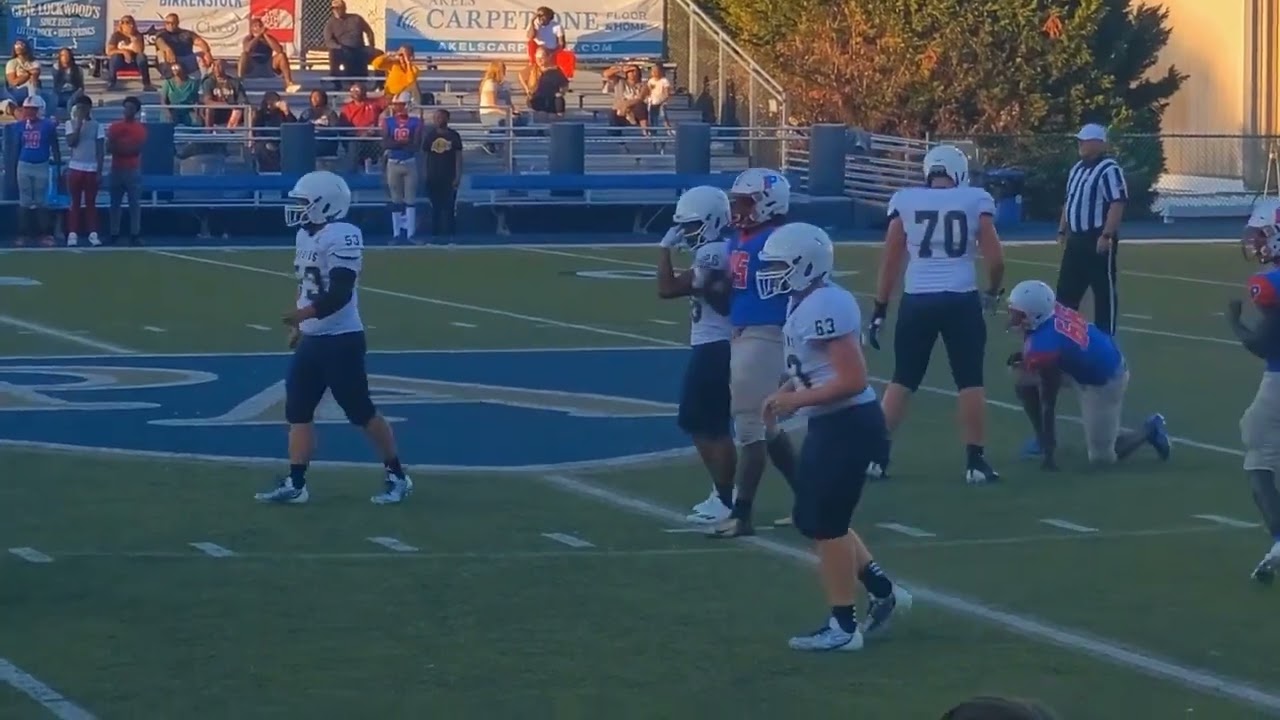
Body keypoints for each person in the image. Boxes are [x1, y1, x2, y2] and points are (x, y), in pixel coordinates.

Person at [757, 222, 910, 650]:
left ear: (806, 264)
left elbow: (852, 379)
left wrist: (797, 403)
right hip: (833, 423)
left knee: (827, 524)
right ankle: (882, 591)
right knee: (815, 518)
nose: (771, 272)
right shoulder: (804, 300)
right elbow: (813, 367)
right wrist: (788, 390)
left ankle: (843, 628)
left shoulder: (827, 303)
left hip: (849, 423)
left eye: (779, 264)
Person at [255, 170, 413, 505]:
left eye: (303, 202)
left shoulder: (343, 234)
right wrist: (300, 327)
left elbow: (340, 293)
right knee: (297, 411)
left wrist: (303, 316)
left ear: (325, 204)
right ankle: (296, 483)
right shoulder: (304, 235)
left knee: (360, 411)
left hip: (341, 340)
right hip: (313, 341)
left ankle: (397, 474)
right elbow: (308, 288)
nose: (297, 208)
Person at [866, 145, 1004, 484]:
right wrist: (993, 291)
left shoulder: (906, 200)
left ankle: (877, 458)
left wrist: (880, 307)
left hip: (918, 299)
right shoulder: (975, 199)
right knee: (969, 380)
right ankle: (975, 462)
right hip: (960, 298)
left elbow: (891, 259)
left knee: (903, 378)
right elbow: (996, 259)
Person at [703, 167, 800, 536]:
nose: (739, 209)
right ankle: (810, 499)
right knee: (767, 428)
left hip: (767, 336)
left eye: (747, 201)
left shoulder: (783, 239)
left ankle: (742, 513)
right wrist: (710, 285)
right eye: (738, 201)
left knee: (751, 429)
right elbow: (731, 300)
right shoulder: (740, 240)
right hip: (744, 334)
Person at [1006, 279, 1170, 473]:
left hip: (1104, 381)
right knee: (1022, 376)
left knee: (1102, 458)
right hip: (1086, 360)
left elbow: (1048, 400)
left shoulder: (1044, 342)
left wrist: (1050, 456)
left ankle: (1150, 429)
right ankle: (1041, 439)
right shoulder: (1050, 311)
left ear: (1034, 314)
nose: (1012, 317)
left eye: (1018, 314)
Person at [655, 186, 736, 524]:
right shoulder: (716, 249)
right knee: (705, 423)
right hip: (715, 345)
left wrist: (663, 250)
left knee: (708, 424)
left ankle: (725, 497)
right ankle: (724, 496)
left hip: (716, 346)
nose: (687, 233)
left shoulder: (715, 252)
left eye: (691, 226)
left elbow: (667, 289)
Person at [1228, 198, 1280, 583]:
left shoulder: (1269, 283)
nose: (1256, 243)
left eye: (1262, 234)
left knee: (1257, 451)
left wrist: (1234, 321)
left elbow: (1263, 345)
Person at [1057, 123, 1127, 336]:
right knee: (1066, 293)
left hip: (1096, 238)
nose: (1080, 144)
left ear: (1098, 144)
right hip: (1076, 239)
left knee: (1103, 292)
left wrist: (1106, 235)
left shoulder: (1109, 169)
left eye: (1085, 140)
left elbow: (1118, 202)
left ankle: (1107, 339)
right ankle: (1065, 336)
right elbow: (1070, 200)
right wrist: (1062, 229)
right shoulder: (1076, 169)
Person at [14, 95, 59, 247]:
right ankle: (23, 234)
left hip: (42, 164)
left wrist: (58, 164)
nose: (29, 112)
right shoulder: (21, 125)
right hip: (24, 164)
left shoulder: (47, 125)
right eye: (27, 109)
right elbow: (16, 146)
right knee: (24, 202)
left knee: (42, 202)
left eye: (32, 109)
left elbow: (54, 144)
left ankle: (44, 234)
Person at [64, 96, 105, 247]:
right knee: (74, 202)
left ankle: (93, 233)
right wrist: (78, 125)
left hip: (91, 168)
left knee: (90, 203)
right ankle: (72, 234)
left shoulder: (97, 126)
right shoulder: (70, 124)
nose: (80, 110)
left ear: (89, 108)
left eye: (83, 107)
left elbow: (100, 150)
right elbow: (71, 142)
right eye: (78, 107)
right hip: (75, 167)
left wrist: (99, 171)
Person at [383, 92, 423, 243]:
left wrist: (398, 143)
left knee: (410, 200)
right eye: (397, 105)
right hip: (394, 162)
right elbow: (386, 143)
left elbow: (416, 145)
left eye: (401, 105)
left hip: (409, 162)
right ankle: (397, 233)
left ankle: (410, 234)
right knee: (396, 200)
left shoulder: (416, 122)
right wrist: (404, 143)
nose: (399, 108)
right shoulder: (388, 121)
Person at [106, 96, 146, 246]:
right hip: (117, 168)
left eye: (130, 108)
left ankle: (135, 233)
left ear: (136, 111)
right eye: (126, 107)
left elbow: (135, 150)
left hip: (132, 169)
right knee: (114, 203)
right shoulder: (115, 126)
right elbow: (109, 147)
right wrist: (122, 149)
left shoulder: (139, 129)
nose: (127, 111)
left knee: (134, 204)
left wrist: (119, 148)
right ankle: (113, 232)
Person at [423, 108, 462, 238]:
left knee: (450, 207)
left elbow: (458, 156)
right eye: (436, 117)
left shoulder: (454, 136)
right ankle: (435, 234)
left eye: (441, 117)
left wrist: (457, 175)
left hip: (449, 176)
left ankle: (451, 235)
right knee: (435, 208)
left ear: (447, 119)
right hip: (433, 176)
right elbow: (425, 156)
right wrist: (425, 174)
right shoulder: (430, 136)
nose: (438, 120)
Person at [239, 17, 301, 93]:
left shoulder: (268, 38)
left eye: (260, 25)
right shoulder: (248, 38)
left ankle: (289, 84)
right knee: (243, 55)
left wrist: (265, 35)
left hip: (267, 63)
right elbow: (247, 49)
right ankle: (239, 82)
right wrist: (258, 36)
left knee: (282, 56)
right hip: (253, 64)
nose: (258, 27)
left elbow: (279, 50)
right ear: (251, 29)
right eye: (255, 25)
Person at [324, 0, 378, 86]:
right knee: (334, 53)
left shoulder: (356, 18)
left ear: (344, 8)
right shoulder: (330, 23)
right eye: (333, 9)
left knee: (379, 54)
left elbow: (369, 32)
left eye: (338, 8)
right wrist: (339, 47)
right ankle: (337, 83)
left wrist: (371, 45)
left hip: (360, 48)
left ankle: (380, 83)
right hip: (342, 50)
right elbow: (328, 41)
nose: (336, 11)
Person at [154, 14, 213, 79]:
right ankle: (168, 77)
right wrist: (168, 49)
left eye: (173, 23)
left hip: (187, 58)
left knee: (203, 54)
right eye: (168, 23)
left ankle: (204, 81)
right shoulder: (162, 34)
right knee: (161, 53)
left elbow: (199, 41)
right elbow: (159, 42)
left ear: (177, 23)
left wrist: (207, 52)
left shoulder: (186, 33)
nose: (170, 25)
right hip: (173, 60)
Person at [104, 16, 153, 90]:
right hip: (120, 61)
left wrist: (133, 39)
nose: (130, 25)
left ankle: (147, 84)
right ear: (122, 25)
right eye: (126, 23)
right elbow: (109, 51)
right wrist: (124, 52)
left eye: (131, 23)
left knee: (142, 57)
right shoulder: (116, 35)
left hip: (134, 61)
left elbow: (139, 50)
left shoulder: (138, 35)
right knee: (115, 57)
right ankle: (111, 82)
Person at [252, 91, 295, 172]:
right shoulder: (260, 114)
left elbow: (293, 127)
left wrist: (287, 112)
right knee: (261, 148)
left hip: (282, 142)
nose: (270, 103)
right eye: (268, 100)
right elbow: (256, 131)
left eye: (273, 100)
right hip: (265, 142)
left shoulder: (282, 114)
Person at [199, 61, 248, 128]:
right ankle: (209, 134)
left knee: (240, 110)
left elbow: (243, 101)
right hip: (216, 112)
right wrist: (226, 105)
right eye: (214, 65)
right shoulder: (208, 82)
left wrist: (236, 107)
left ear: (224, 67)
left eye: (219, 65)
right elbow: (208, 101)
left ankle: (232, 130)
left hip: (231, 112)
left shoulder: (235, 82)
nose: (216, 68)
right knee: (208, 109)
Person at [159, 60, 201, 126]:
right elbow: (163, 100)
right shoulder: (168, 82)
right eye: (173, 67)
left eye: (177, 67)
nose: (175, 69)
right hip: (173, 109)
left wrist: (196, 113)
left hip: (187, 110)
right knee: (166, 120)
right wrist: (167, 111)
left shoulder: (192, 83)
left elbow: (196, 100)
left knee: (196, 122)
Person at [5, 39, 41, 104]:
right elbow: (13, 82)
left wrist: (22, 76)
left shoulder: (35, 62)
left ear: (27, 47)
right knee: (30, 83)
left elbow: (35, 75)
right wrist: (28, 74)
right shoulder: (11, 63)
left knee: (32, 83)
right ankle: (33, 105)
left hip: (33, 88)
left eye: (21, 45)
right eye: (16, 45)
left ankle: (33, 106)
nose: (18, 47)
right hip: (17, 90)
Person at [51, 48, 85, 115]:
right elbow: (55, 85)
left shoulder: (78, 70)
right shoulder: (56, 67)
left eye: (67, 55)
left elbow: (81, 87)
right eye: (63, 55)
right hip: (60, 93)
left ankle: (71, 119)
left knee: (70, 101)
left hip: (73, 93)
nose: (65, 57)